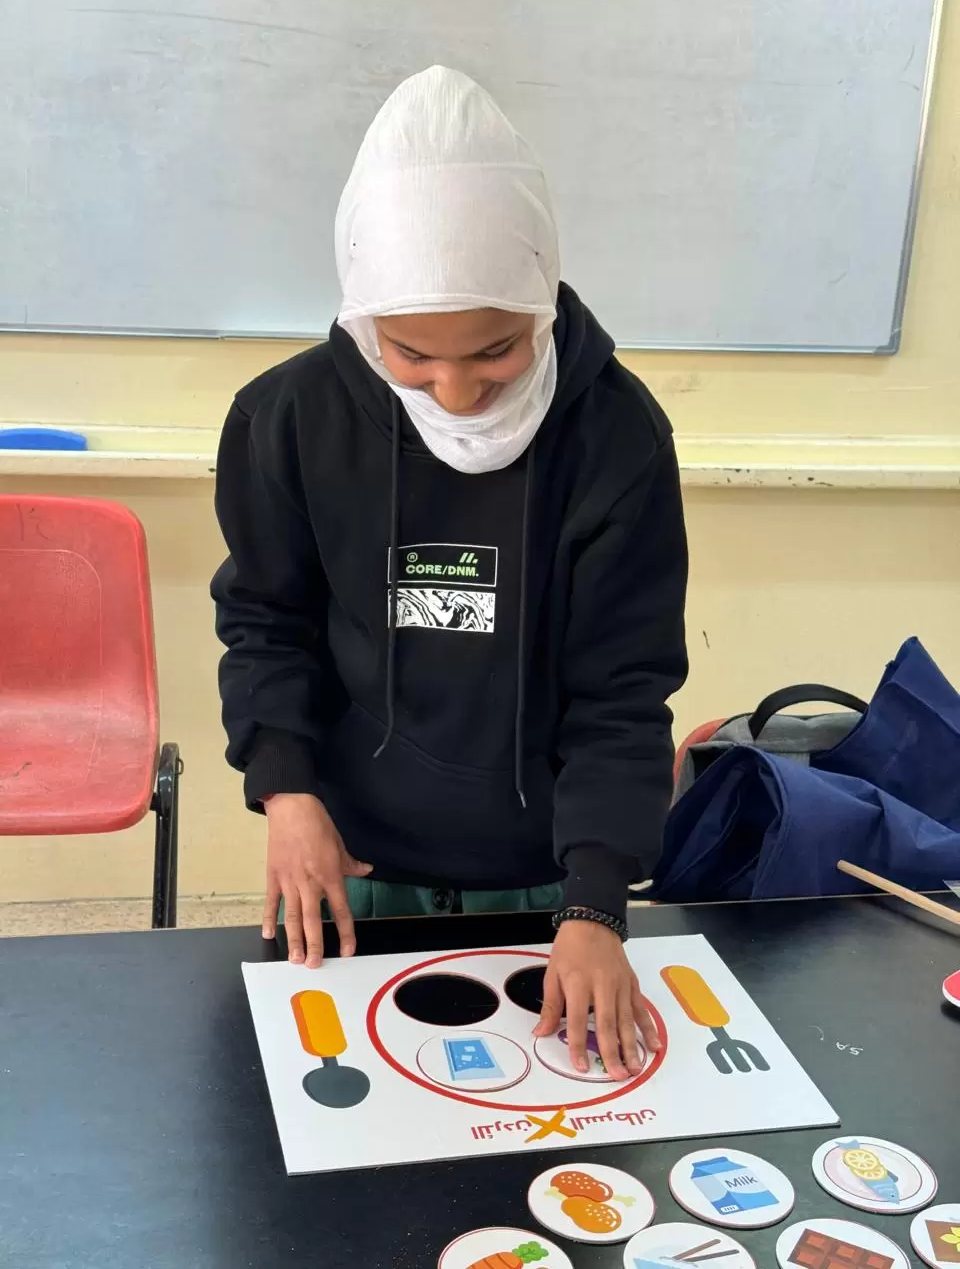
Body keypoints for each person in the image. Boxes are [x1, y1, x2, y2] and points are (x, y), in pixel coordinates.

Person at [212, 66, 688, 1081]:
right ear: (361, 319)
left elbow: (622, 690)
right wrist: (285, 789)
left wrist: (598, 903)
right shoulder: (285, 420)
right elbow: (266, 622)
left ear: (543, 301)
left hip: (546, 872)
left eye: (498, 350)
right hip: (353, 856)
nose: (458, 391)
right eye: (411, 353)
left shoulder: (616, 437)